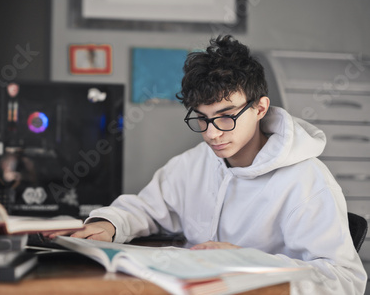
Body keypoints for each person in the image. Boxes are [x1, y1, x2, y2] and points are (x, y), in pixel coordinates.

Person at [47, 35, 367, 294]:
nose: (212, 134)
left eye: (226, 117)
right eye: (202, 118)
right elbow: (146, 207)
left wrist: (245, 261)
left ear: (259, 108)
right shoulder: (195, 163)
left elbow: (345, 282)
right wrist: (110, 225)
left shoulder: (307, 180)